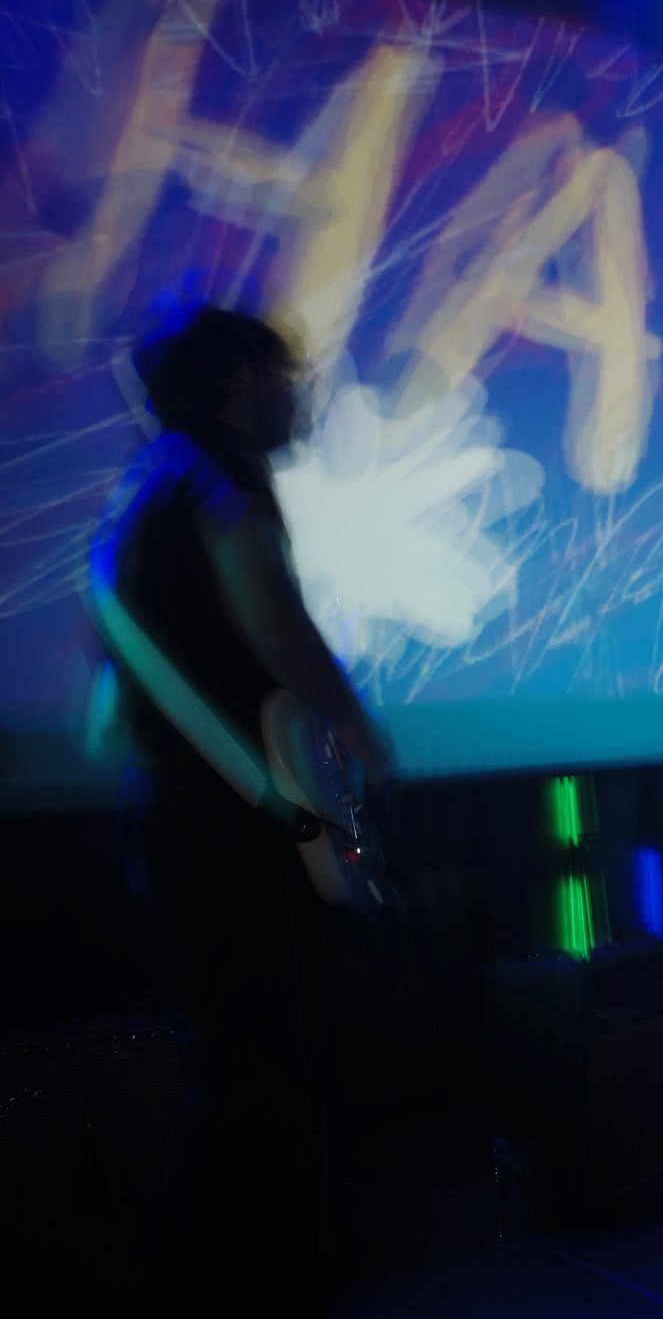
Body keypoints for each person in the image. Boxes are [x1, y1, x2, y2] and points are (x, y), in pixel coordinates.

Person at [89, 304, 389, 1305]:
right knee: (273, 1066)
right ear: (238, 381)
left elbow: (112, 709)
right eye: (284, 372)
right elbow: (273, 617)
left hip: (174, 818)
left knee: (230, 1066)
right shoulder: (220, 478)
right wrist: (356, 729)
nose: (298, 391)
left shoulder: (145, 485)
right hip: (237, 832)